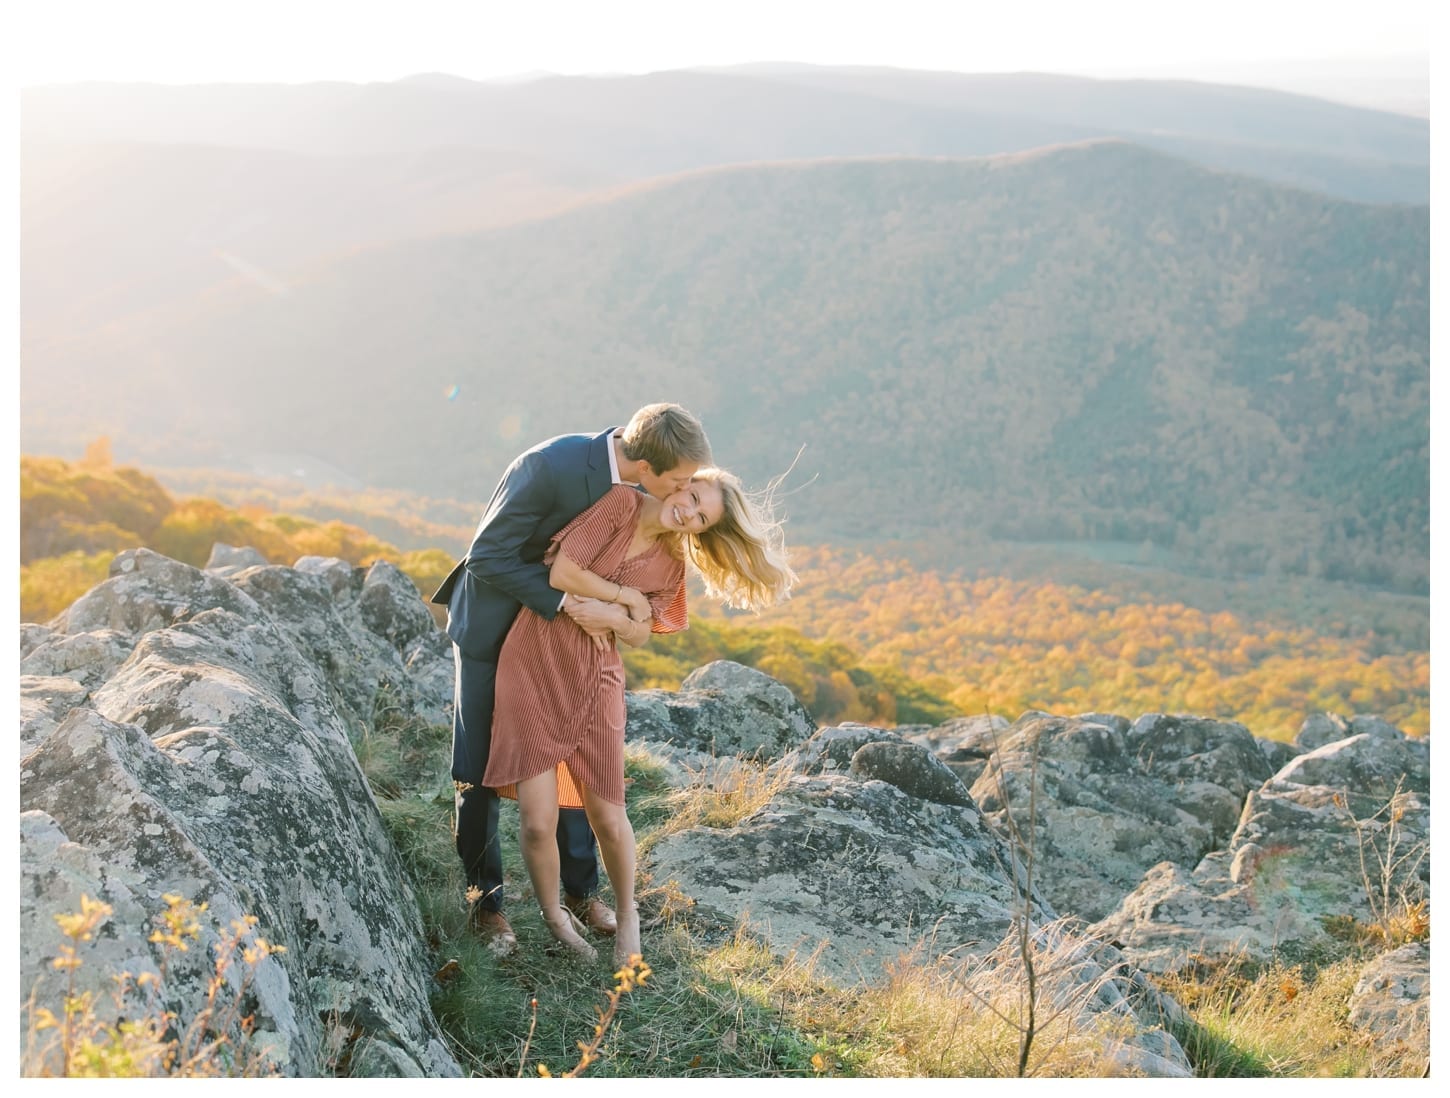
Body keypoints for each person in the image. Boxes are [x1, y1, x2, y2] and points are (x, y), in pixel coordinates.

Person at [431, 404, 712, 954]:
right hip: (494, 628)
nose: (685, 490)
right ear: (648, 466)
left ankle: (582, 892)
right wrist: (564, 600)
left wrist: (622, 611)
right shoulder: (550, 467)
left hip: (565, 645)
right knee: (476, 771)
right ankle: (485, 905)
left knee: (575, 760)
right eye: (680, 481)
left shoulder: (632, 493)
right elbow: (487, 555)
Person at [484, 467, 796, 964]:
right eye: (693, 496)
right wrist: (626, 599)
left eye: (702, 516)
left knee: (608, 812)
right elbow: (562, 574)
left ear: (704, 530)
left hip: (598, 677)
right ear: (681, 482)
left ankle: (628, 916)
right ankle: (556, 920)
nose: (689, 511)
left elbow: (641, 636)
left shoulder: (673, 562)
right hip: (535, 660)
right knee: (538, 822)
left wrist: (616, 619)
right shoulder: (618, 504)